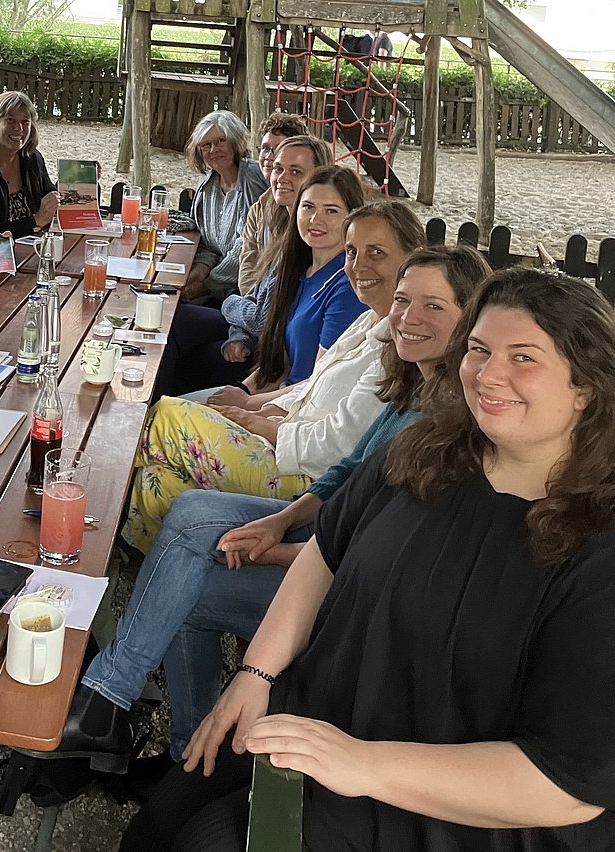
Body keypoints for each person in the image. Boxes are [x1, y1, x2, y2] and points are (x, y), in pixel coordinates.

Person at [124, 268, 615, 851]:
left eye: (524, 358)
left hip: (442, 807)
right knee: (167, 813)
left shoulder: (597, 550)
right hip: (316, 721)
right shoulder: (423, 452)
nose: (489, 373)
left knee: (211, 841)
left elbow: (565, 784)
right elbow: (325, 553)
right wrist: (256, 675)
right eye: (479, 349)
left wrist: (363, 765)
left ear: (586, 387)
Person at [48, 245, 490, 791]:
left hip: (355, 595)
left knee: (187, 587)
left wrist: (278, 549)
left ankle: (133, 723)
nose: (407, 317)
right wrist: (281, 522)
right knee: (188, 515)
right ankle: (143, 724)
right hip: (325, 531)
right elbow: (349, 474)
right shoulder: (419, 383)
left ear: (472, 316)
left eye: (434, 307)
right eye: (403, 300)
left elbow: (382, 548)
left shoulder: (451, 419)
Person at [123, 200, 427, 553]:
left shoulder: (399, 345)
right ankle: (149, 562)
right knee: (154, 481)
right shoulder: (369, 320)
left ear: (411, 259)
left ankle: (75, 507)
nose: (359, 266)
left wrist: (266, 426)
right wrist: (265, 411)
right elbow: (313, 387)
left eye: (377, 252)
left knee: (164, 418)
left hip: (303, 476)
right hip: (285, 440)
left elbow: (342, 446)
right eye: (352, 252)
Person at [153, 138, 334, 399]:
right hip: (250, 328)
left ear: (319, 177)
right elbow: (256, 291)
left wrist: (228, 305)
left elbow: (264, 319)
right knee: (171, 319)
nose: (281, 177)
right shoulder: (278, 216)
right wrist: (239, 332)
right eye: (278, 168)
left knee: (179, 355)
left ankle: (158, 413)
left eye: (296, 172)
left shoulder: (311, 235)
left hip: (270, 353)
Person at [181, 110, 269, 305]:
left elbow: (247, 246)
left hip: (247, 292)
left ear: (235, 142)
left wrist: (207, 284)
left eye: (221, 141)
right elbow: (208, 245)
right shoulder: (207, 186)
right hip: (218, 286)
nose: (214, 149)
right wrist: (198, 272)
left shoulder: (254, 179)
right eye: (206, 145)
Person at [0, 91, 59, 238]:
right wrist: (35, 221)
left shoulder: (32, 158)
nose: (19, 128)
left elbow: (50, 196)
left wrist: (80, 181)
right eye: (10, 120)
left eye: (25, 122)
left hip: (35, 247)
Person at [237, 112, 311, 297]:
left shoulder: (307, 212)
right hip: (255, 301)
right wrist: (250, 300)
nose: (269, 156)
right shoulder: (259, 208)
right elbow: (247, 264)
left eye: (277, 149)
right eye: (265, 148)